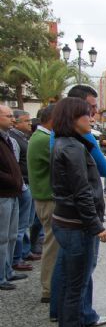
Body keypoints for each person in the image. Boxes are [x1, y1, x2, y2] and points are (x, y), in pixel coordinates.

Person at [50, 97, 106, 327]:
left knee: (71, 285)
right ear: (72, 119)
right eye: (86, 115)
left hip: (69, 223)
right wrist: (96, 227)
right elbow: (82, 192)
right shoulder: (72, 148)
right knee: (75, 288)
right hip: (76, 226)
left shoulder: (71, 143)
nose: (91, 118)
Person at [27, 105, 58, 299]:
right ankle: (49, 289)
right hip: (49, 199)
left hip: (45, 198)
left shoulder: (40, 138)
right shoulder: (44, 140)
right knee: (52, 245)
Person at [0, 105, 27, 291]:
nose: (13, 119)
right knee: (2, 237)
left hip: (13, 193)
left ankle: (8, 270)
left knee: (10, 235)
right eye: (8, 116)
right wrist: (12, 179)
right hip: (3, 194)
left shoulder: (7, 139)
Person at [9, 110, 36, 272]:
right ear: (16, 123)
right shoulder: (14, 139)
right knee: (20, 225)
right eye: (26, 121)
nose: (29, 124)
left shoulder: (23, 137)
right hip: (23, 185)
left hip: (27, 184)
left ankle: (25, 252)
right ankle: (16, 258)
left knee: (27, 223)